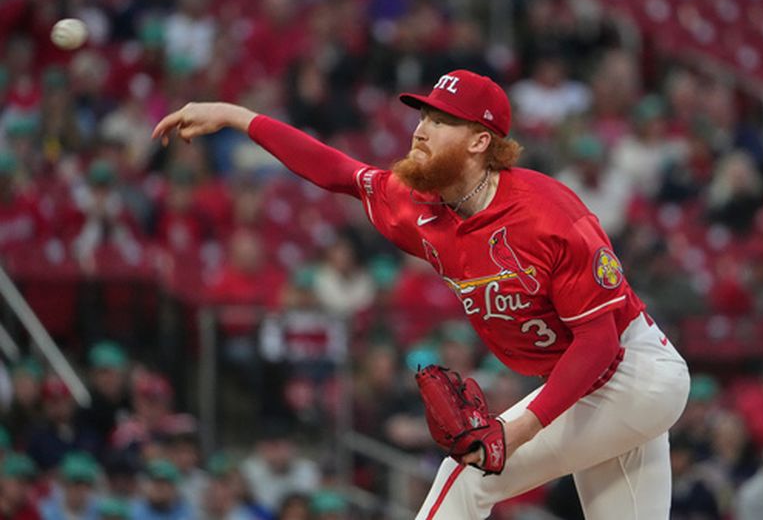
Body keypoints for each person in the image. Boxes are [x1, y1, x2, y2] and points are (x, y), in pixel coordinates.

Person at [153, 69, 690, 519]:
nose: (421, 130)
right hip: (586, 383)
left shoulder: (550, 215)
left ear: (480, 141)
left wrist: (516, 430)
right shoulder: (418, 206)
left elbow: (599, 342)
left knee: (469, 472)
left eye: (440, 120)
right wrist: (237, 116)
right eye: (423, 116)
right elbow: (337, 171)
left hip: (632, 372)